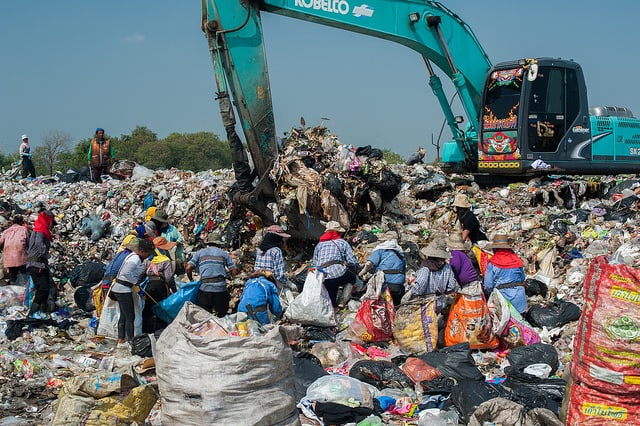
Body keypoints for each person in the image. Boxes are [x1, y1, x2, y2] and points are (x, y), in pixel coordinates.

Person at [186, 231, 239, 317]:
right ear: (218, 243)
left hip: (204, 289)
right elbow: (233, 271)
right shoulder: (224, 254)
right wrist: (236, 270)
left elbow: (188, 268)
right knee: (222, 315)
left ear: (209, 242)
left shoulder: (200, 253)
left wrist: (191, 280)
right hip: (220, 289)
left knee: (204, 316)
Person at [111, 238, 154, 344]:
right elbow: (126, 273)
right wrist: (135, 282)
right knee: (130, 316)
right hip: (123, 289)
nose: (148, 256)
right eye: (148, 253)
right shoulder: (135, 259)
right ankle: (130, 340)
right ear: (142, 251)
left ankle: (121, 338)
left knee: (124, 314)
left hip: (120, 288)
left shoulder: (133, 257)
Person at [312, 220, 361, 308]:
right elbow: (353, 262)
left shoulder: (319, 245)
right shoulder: (342, 242)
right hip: (339, 273)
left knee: (331, 299)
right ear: (338, 232)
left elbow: (314, 263)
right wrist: (357, 268)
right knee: (352, 277)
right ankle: (342, 300)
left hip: (324, 277)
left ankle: (333, 306)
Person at [402, 241, 459, 313]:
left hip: (426, 303)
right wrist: (443, 291)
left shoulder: (426, 266)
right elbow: (451, 285)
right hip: (440, 302)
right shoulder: (447, 267)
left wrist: (411, 292)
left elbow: (420, 285)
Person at [483, 234, 528, 314]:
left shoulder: (493, 262)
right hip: (519, 299)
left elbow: (488, 284)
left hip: (504, 299)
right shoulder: (516, 260)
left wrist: (489, 296)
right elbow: (522, 278)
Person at [140, 237, 176, 333]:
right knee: (160, 309)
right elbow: (169, 278)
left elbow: (141, 274)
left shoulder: (148, 259)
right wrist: (174, 290)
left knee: (147, 309)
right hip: (160, 287)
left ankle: (146, 331)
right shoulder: (165, 260)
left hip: (148, 286)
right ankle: (159, 331)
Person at [359, 238, 407, 306]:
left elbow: (368, 264)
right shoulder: (400, 255)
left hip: (384, 285)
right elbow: (404, 271)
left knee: (380, 306)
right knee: (395, 307)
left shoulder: (380, 251)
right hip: (398, 287)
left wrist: (361, 273)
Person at [26, 210, 56, 317]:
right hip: (36, 264)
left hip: (40, 264)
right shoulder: (40, 230)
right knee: (42, 289)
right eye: (51, 221)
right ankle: (31, 314)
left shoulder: (41, 229)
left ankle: (42, 312)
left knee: (45, 288)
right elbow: (39, 244)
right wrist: (47, 255)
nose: (52, 224)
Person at [145, 210, 185, 274]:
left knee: (177, 270)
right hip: (163, 258)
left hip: (175, 256)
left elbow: (180, 238)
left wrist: (176, 243)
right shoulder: (156, 231)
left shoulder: (172, 229)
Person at [0, 215, 29, 284]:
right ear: (22, 222)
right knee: (24, 273)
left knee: (13, 274)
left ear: (13, 222)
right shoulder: (23, 229)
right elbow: (28, 242)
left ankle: (14, 287)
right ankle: (25, 289)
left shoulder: (6, 231)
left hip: (9, 256)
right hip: (21, 256)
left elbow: (0, 242)